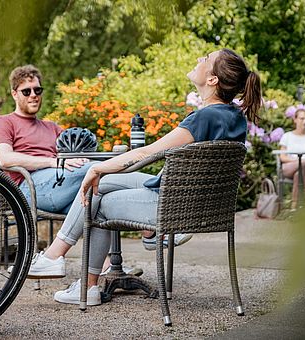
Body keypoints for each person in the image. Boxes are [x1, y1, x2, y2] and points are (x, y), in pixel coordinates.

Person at [50, 48, 262, 307]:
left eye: (206, 59)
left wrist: (96, 168)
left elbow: (148, 152)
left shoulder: (205, 117)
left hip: (171, 207)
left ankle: (85, 284)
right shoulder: (233, 117)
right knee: (102, 184)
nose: (199, 59)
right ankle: (61, 256)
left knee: (97, 198)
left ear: (213, 79)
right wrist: (101, 172)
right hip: (193, 204)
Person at [0, 65, 190, 279]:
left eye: (37, 90)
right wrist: (53, 162)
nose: (33, 96)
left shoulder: (52, 127)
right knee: (100, 170)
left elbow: (74, 159)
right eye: (26, 91)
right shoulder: (5, 122)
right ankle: (165, 193)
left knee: (100, 198)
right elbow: (5, 159)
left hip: (63, 186)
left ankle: (99, 268)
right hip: (29, 188)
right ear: (14, 93)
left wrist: (79, 161)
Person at [279, 108, 305, 210]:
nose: (304, 121)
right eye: (302, 118)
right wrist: (300, 161)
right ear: (295, 119)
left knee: (299, 173)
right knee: (304, 164)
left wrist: (303, 163)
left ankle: (293, 207)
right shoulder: (287, 136)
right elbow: (282, 157)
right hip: (290, 167)